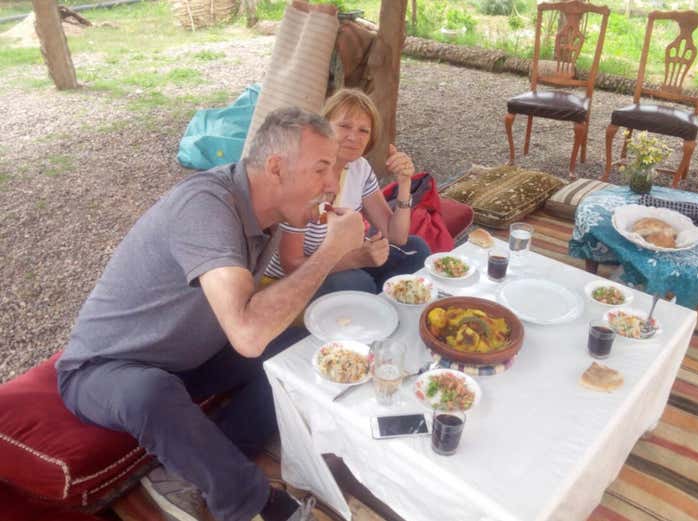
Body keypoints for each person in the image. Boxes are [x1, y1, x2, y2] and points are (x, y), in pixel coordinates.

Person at [55, 107, 365, 521]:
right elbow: (248, 333)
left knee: (296, 351)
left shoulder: (268, 213)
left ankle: (192, 471)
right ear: (276, 168)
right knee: (150, 392)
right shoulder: (205, 206)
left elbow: (253, 326)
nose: (332, 184)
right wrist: (330, 252)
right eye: (322, 169)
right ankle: (255, 503)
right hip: (105, 368)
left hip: (189, 357)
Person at [264, 88, 430, 295]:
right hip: (290, 278)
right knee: (357, 283)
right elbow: (291, 264)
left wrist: (404, 183)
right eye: (344, 126)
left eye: (363, 131)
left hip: (341, 260)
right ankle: (372, 304)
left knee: (415, 250)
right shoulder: (301, 172)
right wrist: (356, 259)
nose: (354, 137)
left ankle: (377, 304)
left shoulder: (359, 168)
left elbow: (396, 236)